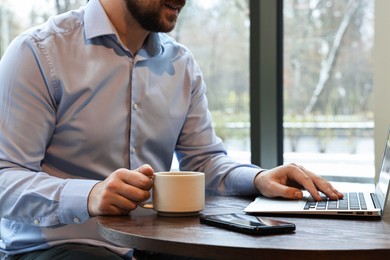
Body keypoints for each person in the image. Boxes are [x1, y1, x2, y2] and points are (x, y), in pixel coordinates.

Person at [0, 0, 343, 259]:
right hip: (60, 246)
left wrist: (259, 179)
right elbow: (5, 177)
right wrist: (88, 196)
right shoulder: (38, 54)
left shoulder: (181, 65)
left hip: (154, 244)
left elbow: (205, 162)